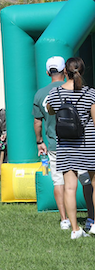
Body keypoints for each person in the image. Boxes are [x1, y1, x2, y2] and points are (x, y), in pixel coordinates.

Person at [44, 56, 95, 239]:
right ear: (82, 70)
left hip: (66, 145)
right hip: (88, 144)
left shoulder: (56, 93)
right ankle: (94, 223)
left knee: (69, 188)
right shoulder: (90, 93)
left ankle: (75, 229)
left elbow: (50, 111)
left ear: (65, 71)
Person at [34, 56, 69, 229]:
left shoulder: (40, 94)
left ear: (48, 72)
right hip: (76, 144)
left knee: (58, 182)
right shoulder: (72, 89)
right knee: (84, 180)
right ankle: (91, 218)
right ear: (65, 70)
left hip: (54, 145)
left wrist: (39, 142)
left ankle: (64, 220)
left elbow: (37, 122)